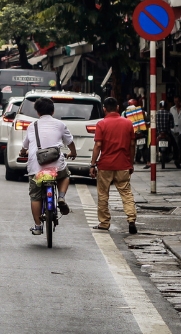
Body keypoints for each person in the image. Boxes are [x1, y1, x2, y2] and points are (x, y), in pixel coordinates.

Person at [17, 97, 77, 235]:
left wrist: (22, 152)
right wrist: (73, 152)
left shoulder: (32, 126)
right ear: (53, 110)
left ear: (37, 112)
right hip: (56, 166)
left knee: (35, 196)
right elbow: (70, 142)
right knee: (65, 175)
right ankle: (61, 197)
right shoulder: (60, 125)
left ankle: (38, 227)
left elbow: (25, 145)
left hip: (36, 168)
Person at [91, 96, 138, 234]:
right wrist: (130, 162)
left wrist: (92, 164)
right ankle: (131, 219)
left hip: (105, 165)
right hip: (123, 164)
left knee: (103, 194)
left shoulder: (101, 124)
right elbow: (132, 144)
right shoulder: (128, 123)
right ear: (118, 108)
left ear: (104, 109)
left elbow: (98, 145)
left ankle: (104, 223)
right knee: (126, 193)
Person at [155, 99, 179, 168]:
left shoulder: (156, 114)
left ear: (159, 106)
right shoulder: (169, 114)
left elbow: (154, 125)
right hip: (167, 133)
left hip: (159, 133)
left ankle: (148, 161)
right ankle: (176, 161)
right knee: (175, 146)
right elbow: (172, 126)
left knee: (151, 145)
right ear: (166, 106)